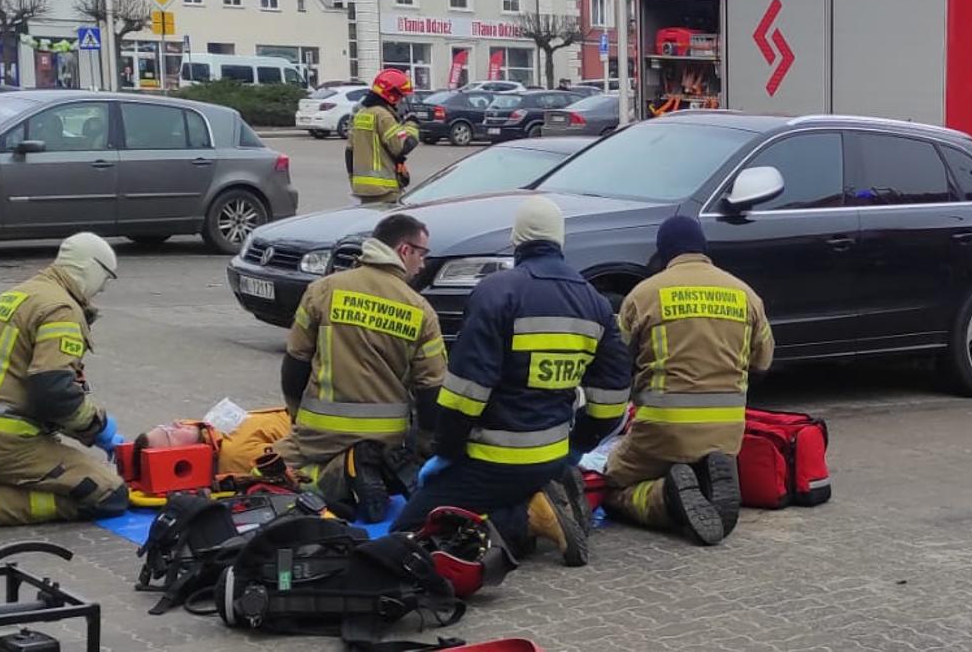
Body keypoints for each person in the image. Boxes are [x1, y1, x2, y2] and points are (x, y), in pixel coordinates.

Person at [394, 196, 632, 566]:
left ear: (516, 239)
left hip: (495, 457)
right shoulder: (594, 302)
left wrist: (446, 452)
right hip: (554, 453)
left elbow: (464, 395)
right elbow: (614, 398)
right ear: (560, 241)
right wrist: (576, 445)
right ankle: (535, 498)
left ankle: (528, 514)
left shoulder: (498, 291)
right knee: (491, 501)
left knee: (410, 530)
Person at [0, 233, 129, 528]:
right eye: (105, 278)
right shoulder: (61, 309)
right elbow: (54, 393)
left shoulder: (22, 293)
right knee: (108, 494)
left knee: (67, 470)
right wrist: (100, 429)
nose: (102, 289)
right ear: (90, 269)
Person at [604, 216, 773, 545]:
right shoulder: (746, 295)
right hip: (726, 434)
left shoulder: (643, 295)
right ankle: (702, 477)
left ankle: (666, 499)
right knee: (690, 463)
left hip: (660, 431)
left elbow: (615, 363)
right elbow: (763, 360)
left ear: (663, 251)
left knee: (612, 485)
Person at [272, 214, 446, 516]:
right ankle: (357, 470)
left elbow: (295, 364)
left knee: (265, 474)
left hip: (317, 434)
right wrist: (422, 447)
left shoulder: (323, 291)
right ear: (404, 251)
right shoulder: (420, 310)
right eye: (422, 254)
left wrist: (297, 417)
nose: (423, 264)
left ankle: (333, 476)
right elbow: (431, 392)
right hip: (386, 442)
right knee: (389, 472)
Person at [347, 68, 422, 202]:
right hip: (384, 190)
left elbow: (349, 151)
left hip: (362, 188)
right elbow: (402, 146)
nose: (401, 102)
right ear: (391, 95)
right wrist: (412, 124)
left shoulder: (361, 114)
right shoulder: (383, 116)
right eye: (400, 97)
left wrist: (353, 178)